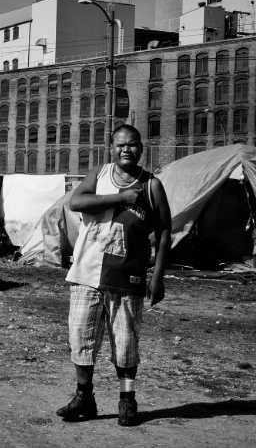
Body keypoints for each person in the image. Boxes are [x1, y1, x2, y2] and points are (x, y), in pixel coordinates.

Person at [56, 124, 171, 427]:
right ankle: (85, 397)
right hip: (87, 271)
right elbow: (75, 202)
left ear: (141, 148)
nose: (126, 150)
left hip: (127, 275)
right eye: (120, 145)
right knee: (81, 336)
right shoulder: (99, 175)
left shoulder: (151, 185)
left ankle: (127, 399)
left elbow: (164, 231)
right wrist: (120, 198)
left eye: (132, 144)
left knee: (126, 340)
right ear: (111, 148)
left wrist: (157, 276)